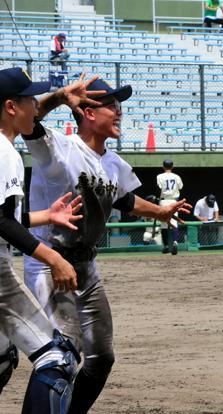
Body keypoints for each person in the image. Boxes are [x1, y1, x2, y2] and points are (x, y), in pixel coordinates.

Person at [22, 76, 190, 414]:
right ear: (86, 112)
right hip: (51, 263)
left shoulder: (112, 163)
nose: (118, 111)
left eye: (119, 105)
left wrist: (161, 212)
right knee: (62, 353)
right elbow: (25, 120)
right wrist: (57, 97)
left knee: (101, 358)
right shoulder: (59, 147)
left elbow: (125, 200)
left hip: (87, 267)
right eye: (110, 105)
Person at [0, 66, 87, 413]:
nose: (34, 106)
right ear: (10, 107)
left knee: (3, 359)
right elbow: (1, 220)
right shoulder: (5, 153)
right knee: (57, 358)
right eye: (28, 99)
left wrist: (45, 216)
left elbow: (9, 217)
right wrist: (54, 258)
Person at [157, 158, 183, 255]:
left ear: (163, 166)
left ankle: (166, 246)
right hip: (173, 201)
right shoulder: (177, 176)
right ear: (172, 166)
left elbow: (159, 189)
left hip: (163, 201)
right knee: (174, 223)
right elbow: (180, 187)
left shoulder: (159, 176)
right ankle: (175, 242)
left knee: (164, 224)